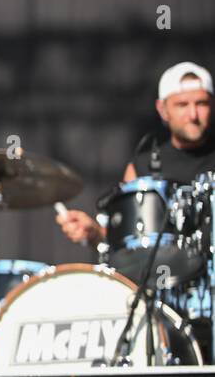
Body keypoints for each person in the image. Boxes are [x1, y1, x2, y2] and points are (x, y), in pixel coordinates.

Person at [57, 61, 215, 246]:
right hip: (163, 271)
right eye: (182, 105)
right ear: (162, 109)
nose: (193, 114)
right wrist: (94, 232)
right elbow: (124, 239)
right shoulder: (142, 166)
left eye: (201, 103)